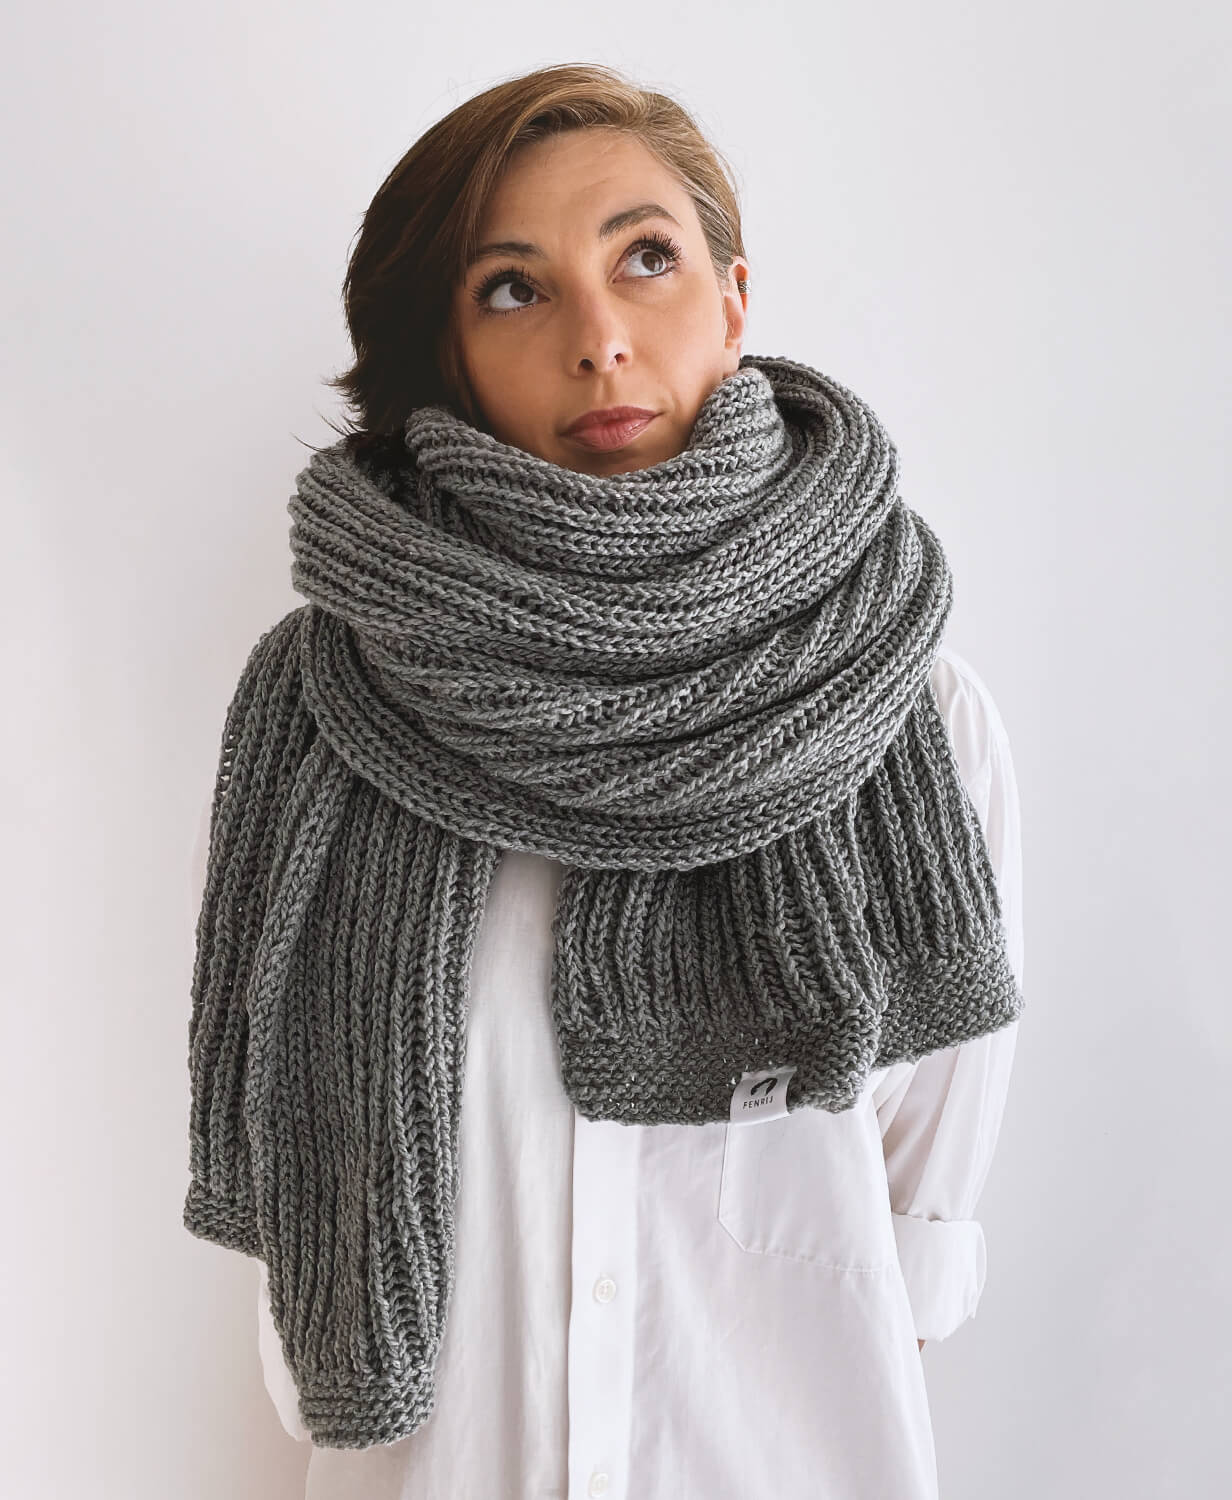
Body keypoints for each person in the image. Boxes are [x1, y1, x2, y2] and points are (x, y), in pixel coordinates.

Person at [183, 62, 1026, 1500]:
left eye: (647, 259)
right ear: (448, 356)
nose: (599, 339)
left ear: (735, 301)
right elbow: (291, 1182)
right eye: (514, 289)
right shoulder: (321, 713)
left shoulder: (916, 715)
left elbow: (913, 1232)